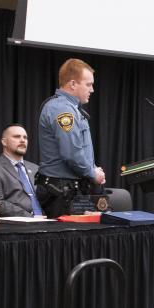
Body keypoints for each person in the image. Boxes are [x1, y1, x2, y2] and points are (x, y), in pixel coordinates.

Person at [36, 58, 106, 217]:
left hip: (70, 191)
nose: (92, 90)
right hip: (61, 193)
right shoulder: (62, 109)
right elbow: (72, 153)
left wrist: (92, 168)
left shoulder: (71, 108)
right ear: (73, 84)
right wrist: (93, 173)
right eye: (88, 84)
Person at [0, 124, 43, 217]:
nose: (22, 140)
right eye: (17, 137)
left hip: (46, 221)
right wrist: (32, 217)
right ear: (4, 142)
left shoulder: (36, 168)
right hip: (16, 225)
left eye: (25, 137)